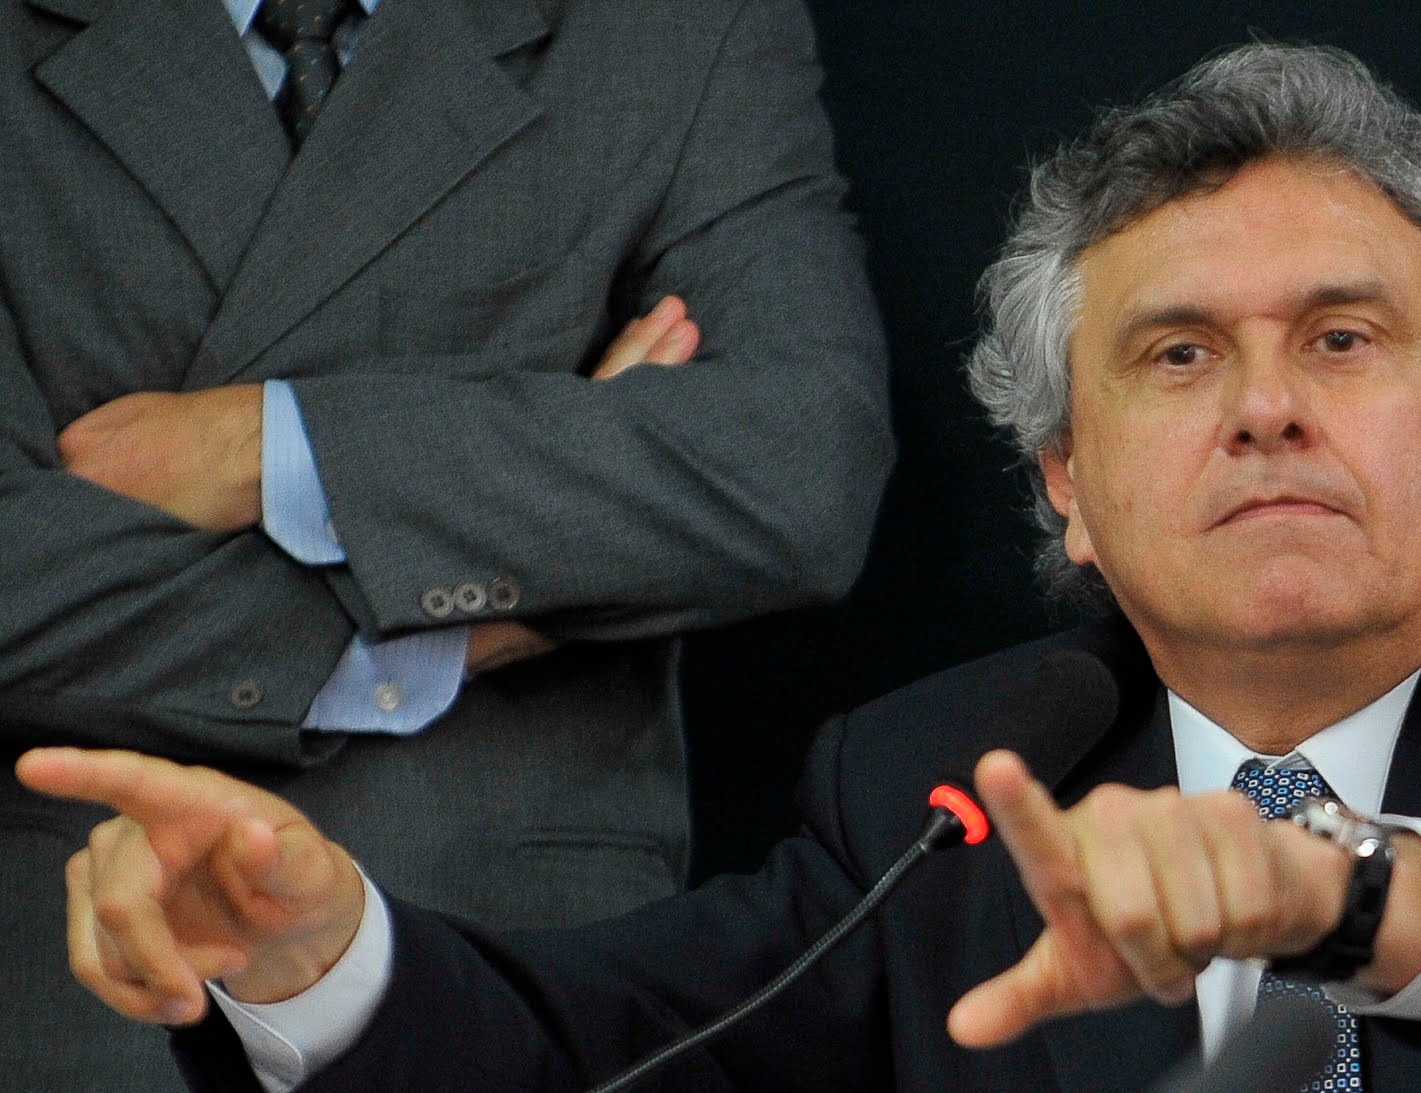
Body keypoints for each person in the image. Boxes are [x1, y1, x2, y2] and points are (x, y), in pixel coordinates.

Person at [19, 41, 1421, 1091]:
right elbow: (605, 1047)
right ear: (1069, 488)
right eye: (1178, 356)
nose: (1265, 408)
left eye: (1342, 339)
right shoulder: (942, 789)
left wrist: (1353, 898)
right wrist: (313, 956)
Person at [0, 0, 892, 1088]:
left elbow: (797, 464)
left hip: (520, 959)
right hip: (77, 957)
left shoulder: (673, 29)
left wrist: (262, 444)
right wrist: (473, 613)